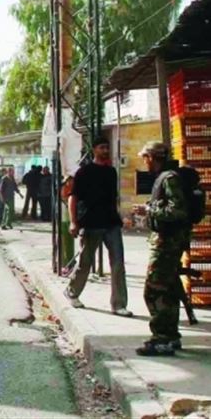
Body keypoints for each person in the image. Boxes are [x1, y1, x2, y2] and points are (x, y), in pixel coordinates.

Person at [64, 136, 132, 317]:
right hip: (91, 223)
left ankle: (118, 304)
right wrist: (73, 221)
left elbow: (113, 198)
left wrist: (122, 216)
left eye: (107, 147)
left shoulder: (111, 172)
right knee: (85, 262)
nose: (105, 151)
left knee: (118, 263)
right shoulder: (84, 172)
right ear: (94, 150)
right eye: (102, 147)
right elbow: (73, 197)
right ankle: (72, 292)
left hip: (111, 223)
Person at [136, 141, 190, 356]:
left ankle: (161, 338)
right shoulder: (166, 177)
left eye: (145, 158)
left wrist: (150, 210)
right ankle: (171, 336)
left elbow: (178, 210)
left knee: (154, 290)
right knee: (168, 290)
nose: (145, 162)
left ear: (152, 157)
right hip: (167, 242)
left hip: (167, 243)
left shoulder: (169, 179)